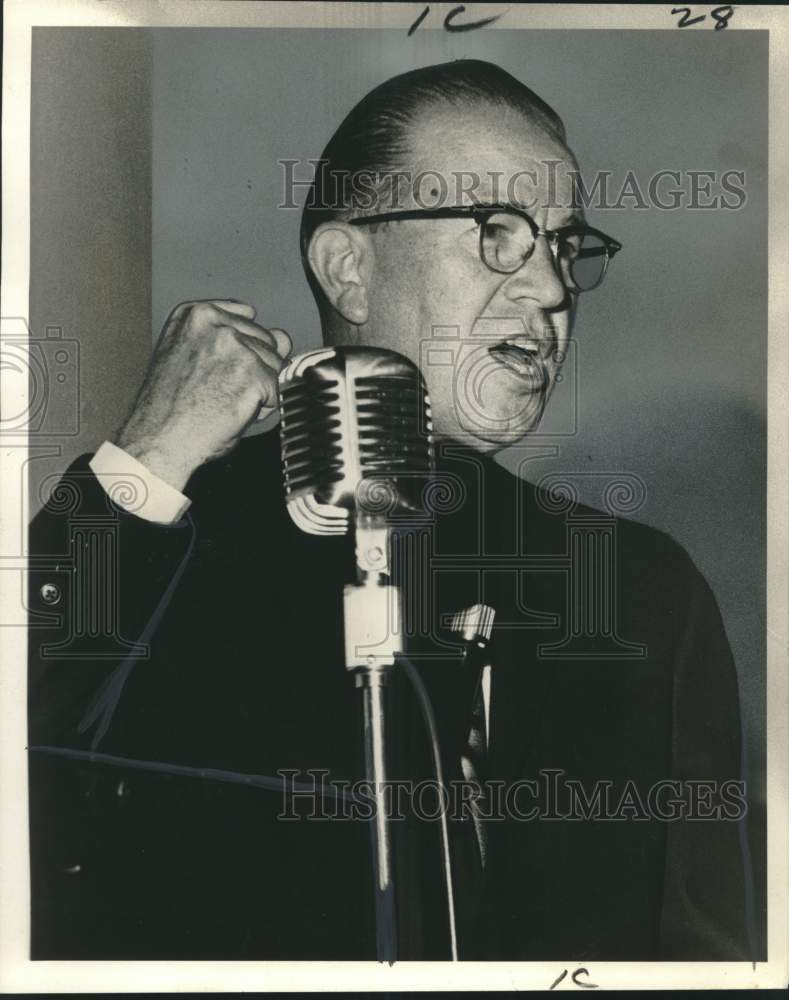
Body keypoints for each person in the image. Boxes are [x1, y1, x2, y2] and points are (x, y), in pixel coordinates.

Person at [27, 59, 750, 961]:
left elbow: (703, 952)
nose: (552, 291)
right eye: (496, 232)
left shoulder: (642, 592)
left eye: (564, 247)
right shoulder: (173, 536)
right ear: (347, 268)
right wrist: (146, 462)